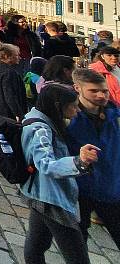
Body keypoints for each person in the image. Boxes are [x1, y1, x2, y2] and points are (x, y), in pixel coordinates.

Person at [21, 83, 99, 264]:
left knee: (37, 243)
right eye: (73, 106)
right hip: (51, 196)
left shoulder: (40, 119)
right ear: (58, 106)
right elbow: (45, 164)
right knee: (77, 255)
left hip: (41, 193)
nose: (77, 110)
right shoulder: (40, 129)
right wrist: (79, 162)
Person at [67, 68, 120, 247]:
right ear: (78, 88)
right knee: (78, 239)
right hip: (79, 188)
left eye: (104, 91)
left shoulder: (115, 116)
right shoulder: (68, 117)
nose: (101, 95)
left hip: (110, 186)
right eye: (94, 91)